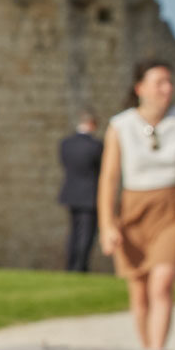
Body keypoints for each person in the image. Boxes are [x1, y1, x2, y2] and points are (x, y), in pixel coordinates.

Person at [97, 62, 175, 350]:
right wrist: (107, 223)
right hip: (132, 210)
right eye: (159, 83)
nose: (167, 89)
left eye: (169, 82)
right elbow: (110, 177)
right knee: (139, 292)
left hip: (173, 210)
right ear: (140, 87)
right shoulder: (120, 126)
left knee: (162, 283)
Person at [58, 113, 105, 272]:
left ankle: (70, 265)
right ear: (93, 124)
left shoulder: (66, 144)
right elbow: (101, 170)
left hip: (71, 193)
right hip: (90, 194)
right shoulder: (96, 146)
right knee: (86, 234)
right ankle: (80, 267)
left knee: (73, 232)